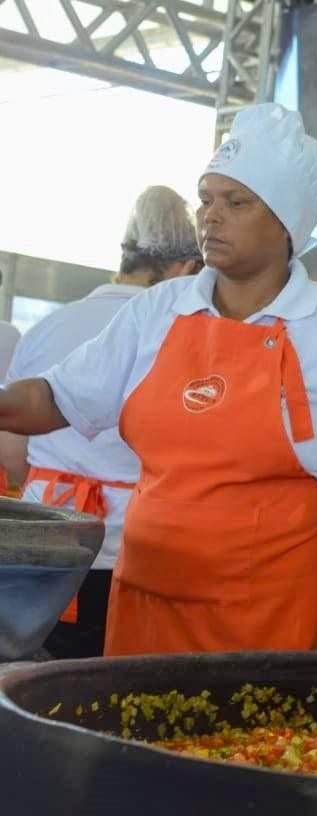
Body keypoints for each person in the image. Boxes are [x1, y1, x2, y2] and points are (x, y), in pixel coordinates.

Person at [0, 103, 317, 656]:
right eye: (206, 199)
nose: (210, 217)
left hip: (271, 619)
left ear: (285, 223)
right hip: (148, 604)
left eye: (236, 203)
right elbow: (53, 397)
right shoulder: (160, 309)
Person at [0, 185, 202, 659]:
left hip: (41, 547)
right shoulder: (171, 335)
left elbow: (11, 449)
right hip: (125, 548)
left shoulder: (50, 326)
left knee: (28, 683)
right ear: (185, 268)